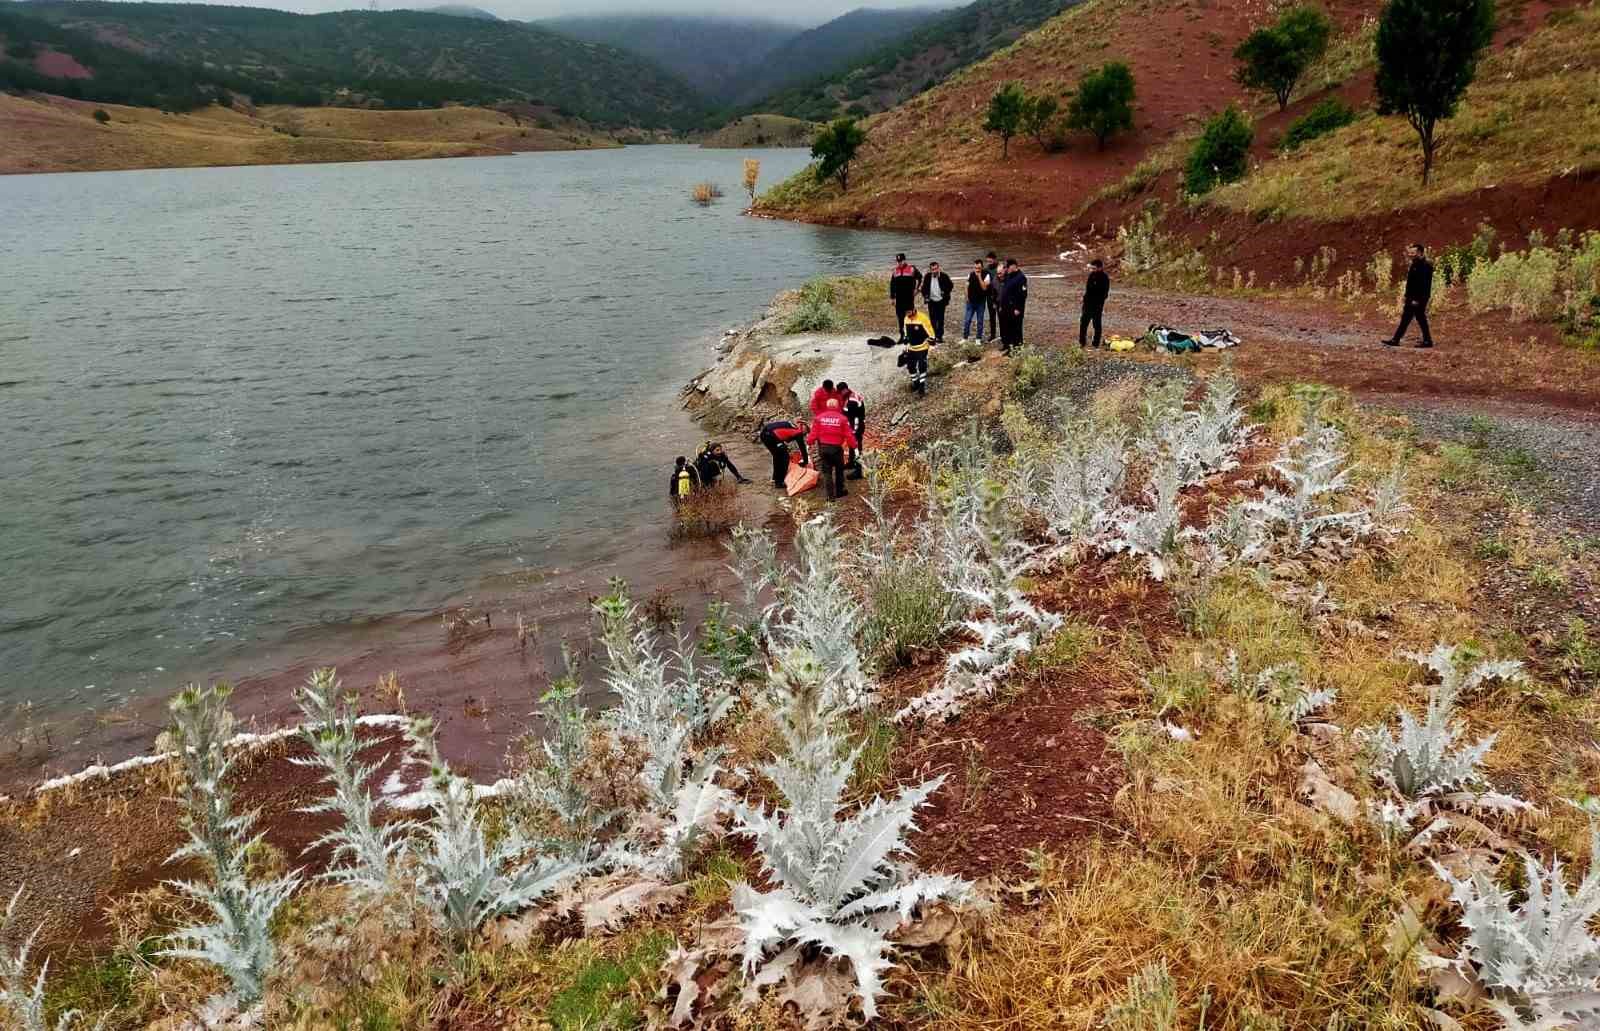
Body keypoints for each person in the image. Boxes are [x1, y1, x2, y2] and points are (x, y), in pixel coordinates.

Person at [805, 397, 859, 501]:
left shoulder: (819, 418)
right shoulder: (842, 419)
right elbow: (849, 435)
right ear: (837, 406)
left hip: (823, 448)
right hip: (836, 449)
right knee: (839, 470)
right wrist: (855, 447)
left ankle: (830, 497)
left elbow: (813, 434)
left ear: (827, 406)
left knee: (827, 472)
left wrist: (808, 444)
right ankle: (839, 491)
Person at [1385, 243, 1435, 349]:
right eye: (1410, 252)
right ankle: (1425, 340)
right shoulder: (1415, 264)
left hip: (1418, 298)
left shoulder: (1425, 265)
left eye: (1413, 252)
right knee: (1413, 318)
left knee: (1414, 318)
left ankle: (1398, 339)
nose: (1410, 254)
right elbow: (1411, 283)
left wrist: (1416, 299)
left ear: (1420, 252)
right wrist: (1407, 295)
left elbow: (1423, 284)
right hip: (1412, 297)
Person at [758, 417, 809, 488]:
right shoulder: (798, 432)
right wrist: (805, 461)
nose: (804, 435)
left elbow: (785, 437)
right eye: (805, 433)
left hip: (764, 434)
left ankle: (775, 478)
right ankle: (780, 482)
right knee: (785, 457)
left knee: (777, 456)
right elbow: (802, 448)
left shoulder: (791, 424)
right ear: (804, 429)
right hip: (771, 436)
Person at [901, 305, 935, 396]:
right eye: (906, 313)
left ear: (913, 309)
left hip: (922, 347)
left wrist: (932, 345)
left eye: (908, 312)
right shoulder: (906, 319)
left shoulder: (923, 318)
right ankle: (915, 383)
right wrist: (905, 343)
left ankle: (922, 386)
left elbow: (930, 332)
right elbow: (905, 332)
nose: (907, 314)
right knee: (910, 366)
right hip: (911, 348)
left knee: (921, 366)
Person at [889, 253, 923, 342]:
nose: (899, 263)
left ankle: (911, 336)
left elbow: (920, 278)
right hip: (899, 298)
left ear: (905, 260)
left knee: (910, 316)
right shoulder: (895, 271)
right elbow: (892, 285)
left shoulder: (912, 269)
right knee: (900, 317)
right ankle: (902, 335)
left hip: (909, 298)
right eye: (898, 261)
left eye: (901, 261)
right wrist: (892, 298)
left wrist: (917, 289)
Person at [997, 258, 1028, 353]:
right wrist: (1002, 305)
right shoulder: (1009, 275)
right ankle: (1010, 347)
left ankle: (1018, 348)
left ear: (1014, 266)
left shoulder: (1021, 277)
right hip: (1007, 307)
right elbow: (1004, 291)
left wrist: (1018, 308)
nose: (1007, 269)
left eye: (1008, 267)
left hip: (1015, 308)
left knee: (1016, 329)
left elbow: (1023, 295)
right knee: (1008, 328)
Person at [920, 260, 953, 343]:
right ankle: (933, 335)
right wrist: (925, 296)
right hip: (931, 301)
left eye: (936, 269)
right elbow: (924, 288)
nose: (934, 271)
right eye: (933, 269)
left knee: (940, 319)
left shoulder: (944, 276)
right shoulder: (927, 276)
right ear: (930, 270)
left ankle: (940, 336)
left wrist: (945, 292)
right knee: (932, 319)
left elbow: (951, 285)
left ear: (938, 268)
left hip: (941, 301)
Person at [1080, 258, 1110, 348]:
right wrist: (1085, 300)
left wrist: (1098, 303)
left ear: (1100, 268)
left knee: (1096, 324)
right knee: (1083, 323)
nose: (1092, 270)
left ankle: (1096, 343)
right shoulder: (1091, 275)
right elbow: (1088, 289)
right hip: (1087, 304)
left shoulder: (1105, 278)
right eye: (1091, 268)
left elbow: (1105, 294)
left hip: (1097, 305)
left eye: (1094, 268)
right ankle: (1082, 342)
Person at [838, 380, 866, 477]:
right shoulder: (851, 395)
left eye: (840, 392)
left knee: (857, 447)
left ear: (844, 390)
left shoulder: (851, 401)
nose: (840, 395)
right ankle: (851, 462)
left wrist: (853, 431)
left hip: (856, 427)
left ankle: (858, 471)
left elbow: (854, 418)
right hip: (855, 425)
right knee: (851, 445)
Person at [962, 258, 990, 343]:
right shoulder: (970, 274)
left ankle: (978, 338)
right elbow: (966, 286)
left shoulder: (986, 275)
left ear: (982, 267)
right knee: (967, 320)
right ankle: (965, 338)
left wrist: (979, 277)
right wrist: (967, 297)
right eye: (975, 268)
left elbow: (984, 288)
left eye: (978, 268)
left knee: (980, 321)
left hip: (980, 302)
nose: (977, 270)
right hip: (970, 302)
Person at [983, 251, 1001, 342]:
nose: (989, 263)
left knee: (1001, 316)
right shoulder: (986, 269)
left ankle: (1003, 334)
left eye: (990, 261)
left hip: (1000, 296)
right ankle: (993, 334)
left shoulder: (1000, 268)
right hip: (990, 296)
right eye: (988, 261)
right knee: (992, 316)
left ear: (995, 259)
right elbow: (983, 284)